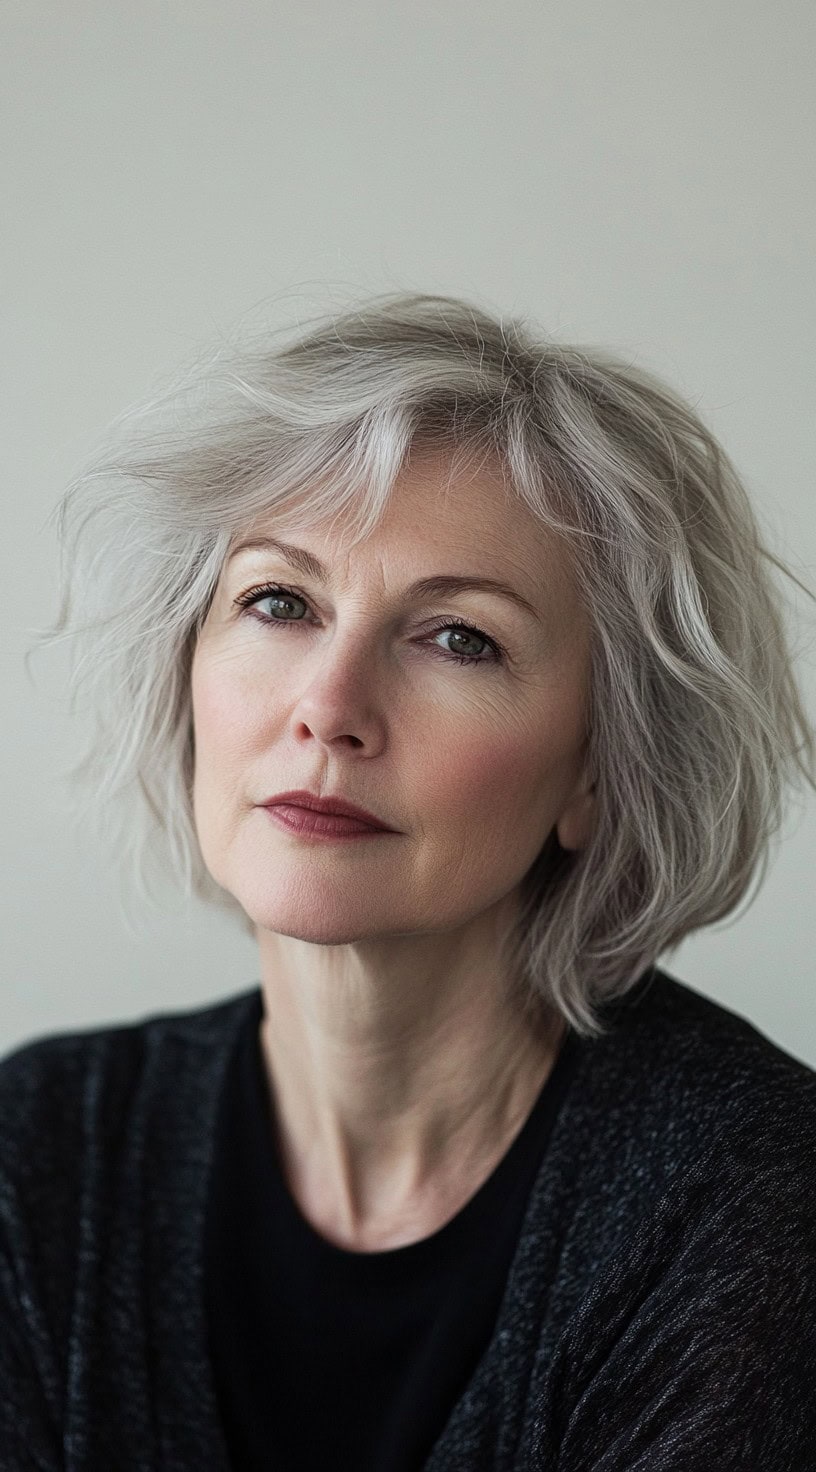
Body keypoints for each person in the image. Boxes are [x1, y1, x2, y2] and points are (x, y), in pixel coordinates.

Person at [2, 292, 815, 1471]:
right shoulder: (43, 1155)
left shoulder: (748, 1204)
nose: (328, 706)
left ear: (600, 768)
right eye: (279, 602)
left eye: (458, 637)